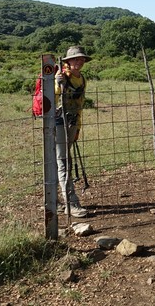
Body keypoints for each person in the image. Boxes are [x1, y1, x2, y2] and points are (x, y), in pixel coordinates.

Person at [55, 45, 91, 218]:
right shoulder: (61, 77)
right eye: (75, 59)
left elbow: (80, 106)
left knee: (59, 161)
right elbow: (53, 98)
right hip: (59, 123)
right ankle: (71, 203)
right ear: (67, 61)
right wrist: (57, 83)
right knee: (64, 161)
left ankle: (53, 200)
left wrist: (78, 127)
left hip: (72, 124)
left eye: (81, 59)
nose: (79, 61)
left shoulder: (82, 79)